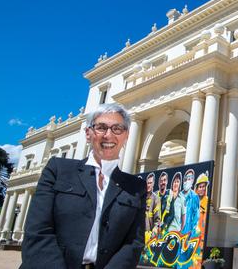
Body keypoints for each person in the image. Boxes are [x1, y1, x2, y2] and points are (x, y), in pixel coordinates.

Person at [21, 103, 146, 269]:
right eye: (101, 127)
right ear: (88, 133)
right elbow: (38, 231)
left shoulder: (136, 186)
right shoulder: (58, 169)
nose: (109, 135)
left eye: (117, 128)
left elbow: (133, 243)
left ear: (126, 135)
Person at [144, 172, 161, 239]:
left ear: (153, 183)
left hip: (149, 236)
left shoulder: (156, 199)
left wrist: (152, 236)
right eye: (147, 183)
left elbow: (157, 220)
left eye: (150, 183)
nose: (148, 185)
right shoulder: (141, 197)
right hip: (139, 235)